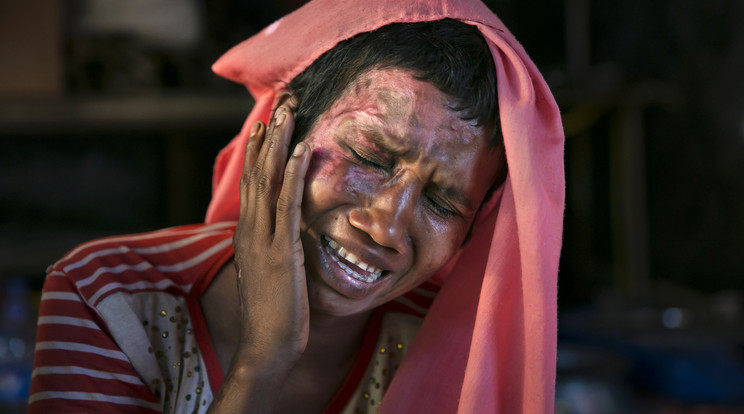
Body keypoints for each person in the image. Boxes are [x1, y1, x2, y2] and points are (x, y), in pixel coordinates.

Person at [28, 0, 564, 413]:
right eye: (368, 155)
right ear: (282, 128)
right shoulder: (108, 298)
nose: (385, 226)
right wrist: (264, 361)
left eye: (443, 202)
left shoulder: (451, 351)